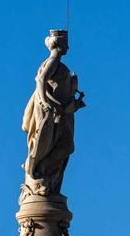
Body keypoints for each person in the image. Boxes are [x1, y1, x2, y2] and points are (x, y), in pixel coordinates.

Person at [22, 30, 85, 198]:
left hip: (63, 113)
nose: (68, 47)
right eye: (65, 43)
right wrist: (46, 102)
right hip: (54, 114)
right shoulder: (53, 61)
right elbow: (41, 80)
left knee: (64, 148)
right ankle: (40, 172)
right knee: (63, 147)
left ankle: (46, 176)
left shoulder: (59, 64)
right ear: (59, 44)